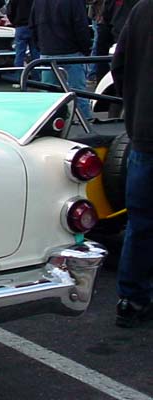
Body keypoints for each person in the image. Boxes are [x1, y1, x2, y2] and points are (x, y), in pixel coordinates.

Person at [111, 0, 153, 328]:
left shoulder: (141, 9)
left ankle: (131, 299)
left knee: (140, 224)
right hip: (143, 135)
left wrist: (135, 108)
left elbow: (118, 67)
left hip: (144, 135)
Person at [30, 0, 93, 119]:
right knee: (78, 92)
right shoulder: (74, 2)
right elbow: (81, 25)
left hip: (47, 51)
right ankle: (84, 123)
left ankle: (46, 122)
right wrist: (85, 48)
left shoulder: (38, 2)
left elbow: (32, 26)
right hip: (71, 52)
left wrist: (40, 46)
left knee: (48, 94)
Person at [8, 0, 40, 69]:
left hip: (20, 26)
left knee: (19, 54)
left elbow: (10, 11)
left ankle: (19, 75)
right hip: (34, 26)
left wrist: (14, 22)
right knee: (36, 54)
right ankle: (37, 76)